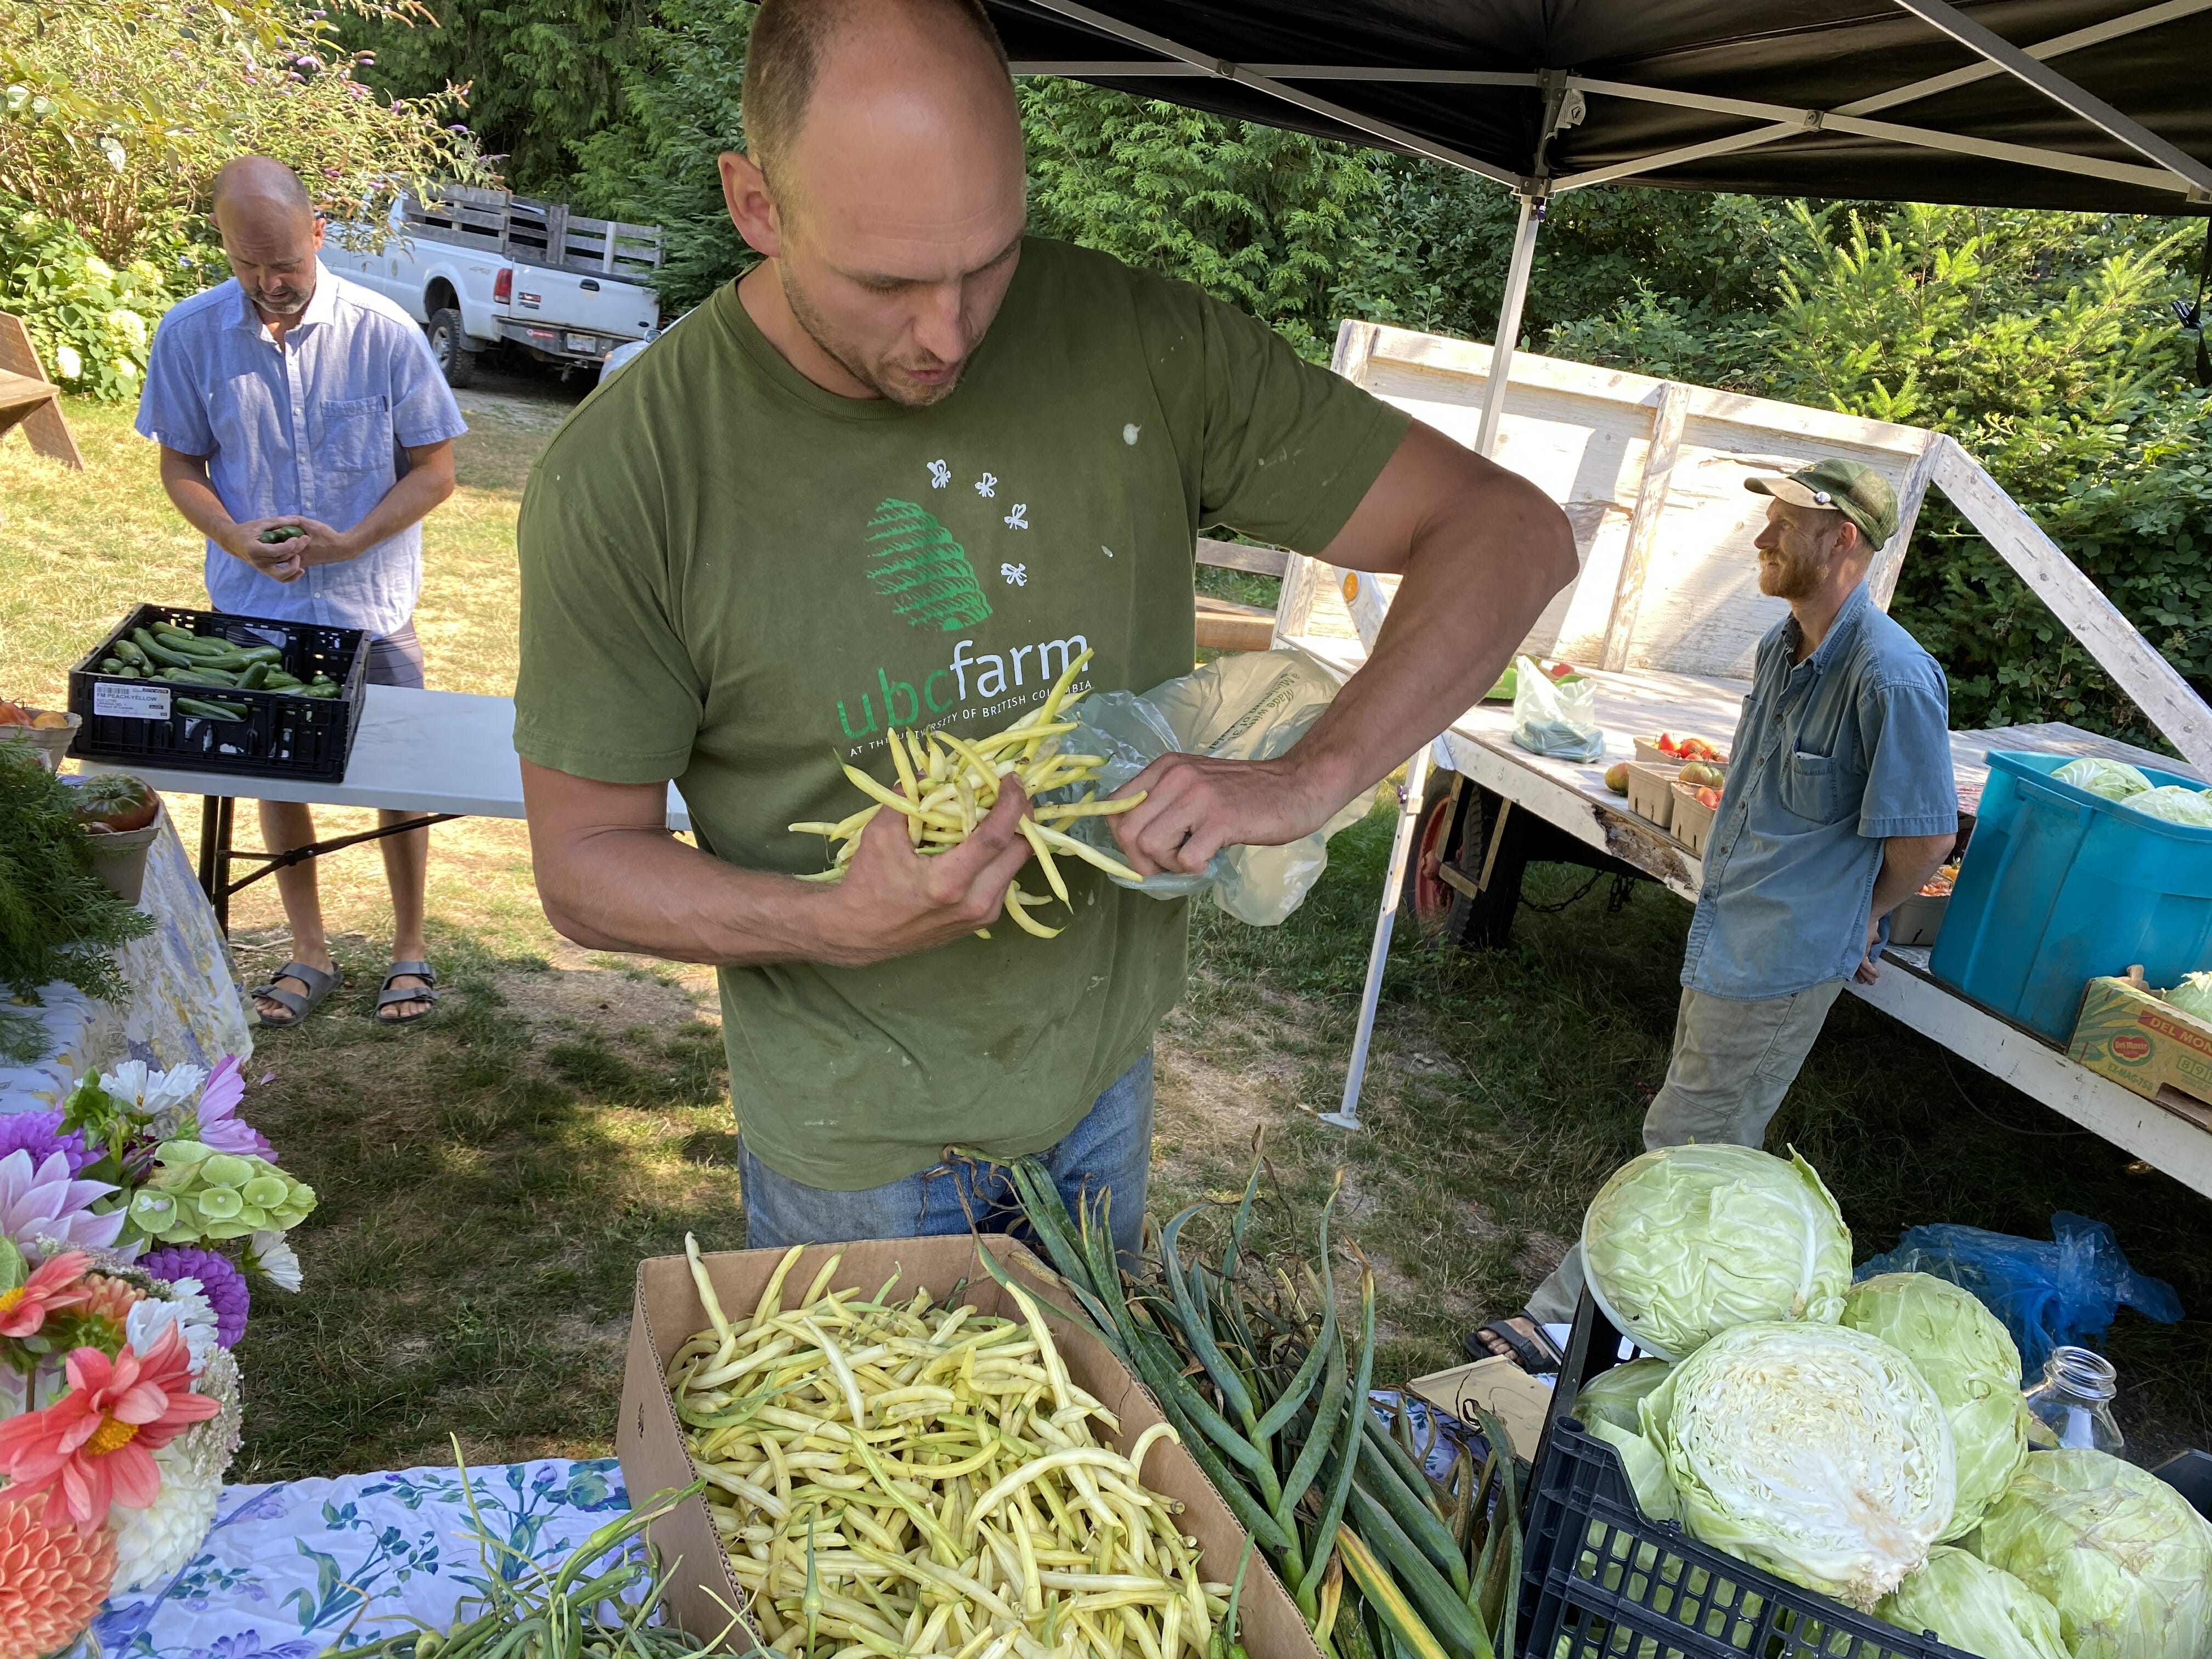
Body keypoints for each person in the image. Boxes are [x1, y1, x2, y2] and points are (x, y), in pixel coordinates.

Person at [512, 0, 1578, 1252]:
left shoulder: (1143, 344)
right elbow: (584, 865)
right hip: (855, 1142)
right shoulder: (634, 473)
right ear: (755, 204)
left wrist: (1313, 775)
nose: (948, 334)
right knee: (888, 1457)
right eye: (888, 281)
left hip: (1103, 1088)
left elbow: (1512, 534)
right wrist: (832, 921)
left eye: (990, 260)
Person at [1470, 458, 1959, 1372]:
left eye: (1783, 523)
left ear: (1841, 538)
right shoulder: (1785, 647)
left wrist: (1866, 911)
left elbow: (1927, 840)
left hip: (1783, 956)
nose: (1761, 539)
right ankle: (1673, 1323)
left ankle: (1570, 1322)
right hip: (1729, 934)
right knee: (1703, 1142)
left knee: (1682, 1146)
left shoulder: (1892, 677)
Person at [137, 156, 469, 1029]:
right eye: (250, 265)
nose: (270, 283)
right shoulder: (190, 333)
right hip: (254, 609)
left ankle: (408, 950)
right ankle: (308, 949)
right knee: (275, 780)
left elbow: (437, 473)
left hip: (373, 607)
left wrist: (355, 539)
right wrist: (232, 535)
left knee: (401, 779)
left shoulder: (385, 332)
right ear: (225, 246)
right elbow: (181, 464)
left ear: (319, 233)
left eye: (285, 262)